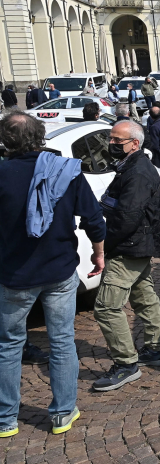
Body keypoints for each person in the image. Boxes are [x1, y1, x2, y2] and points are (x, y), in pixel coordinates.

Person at [0, 114, 105, 437]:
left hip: (14, 273)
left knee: (8, 346)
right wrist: (99, 253)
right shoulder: (66, 171)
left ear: (5, 141)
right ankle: (62, 413)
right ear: (40, 136)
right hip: (59, 270)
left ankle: (5, 420)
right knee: (62, 342)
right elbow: (93, 218)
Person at [92, 120, 160, 392]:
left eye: (117, 141)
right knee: (144, 297)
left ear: (135, 144)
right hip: (138, 245)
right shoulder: (132, 166)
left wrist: (102, 246)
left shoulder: (137, 172)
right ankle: (156, 349)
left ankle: (126, 364)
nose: (111, 145)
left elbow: (126, 217)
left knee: (106, 307)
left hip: (128, 248)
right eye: (110, 139)